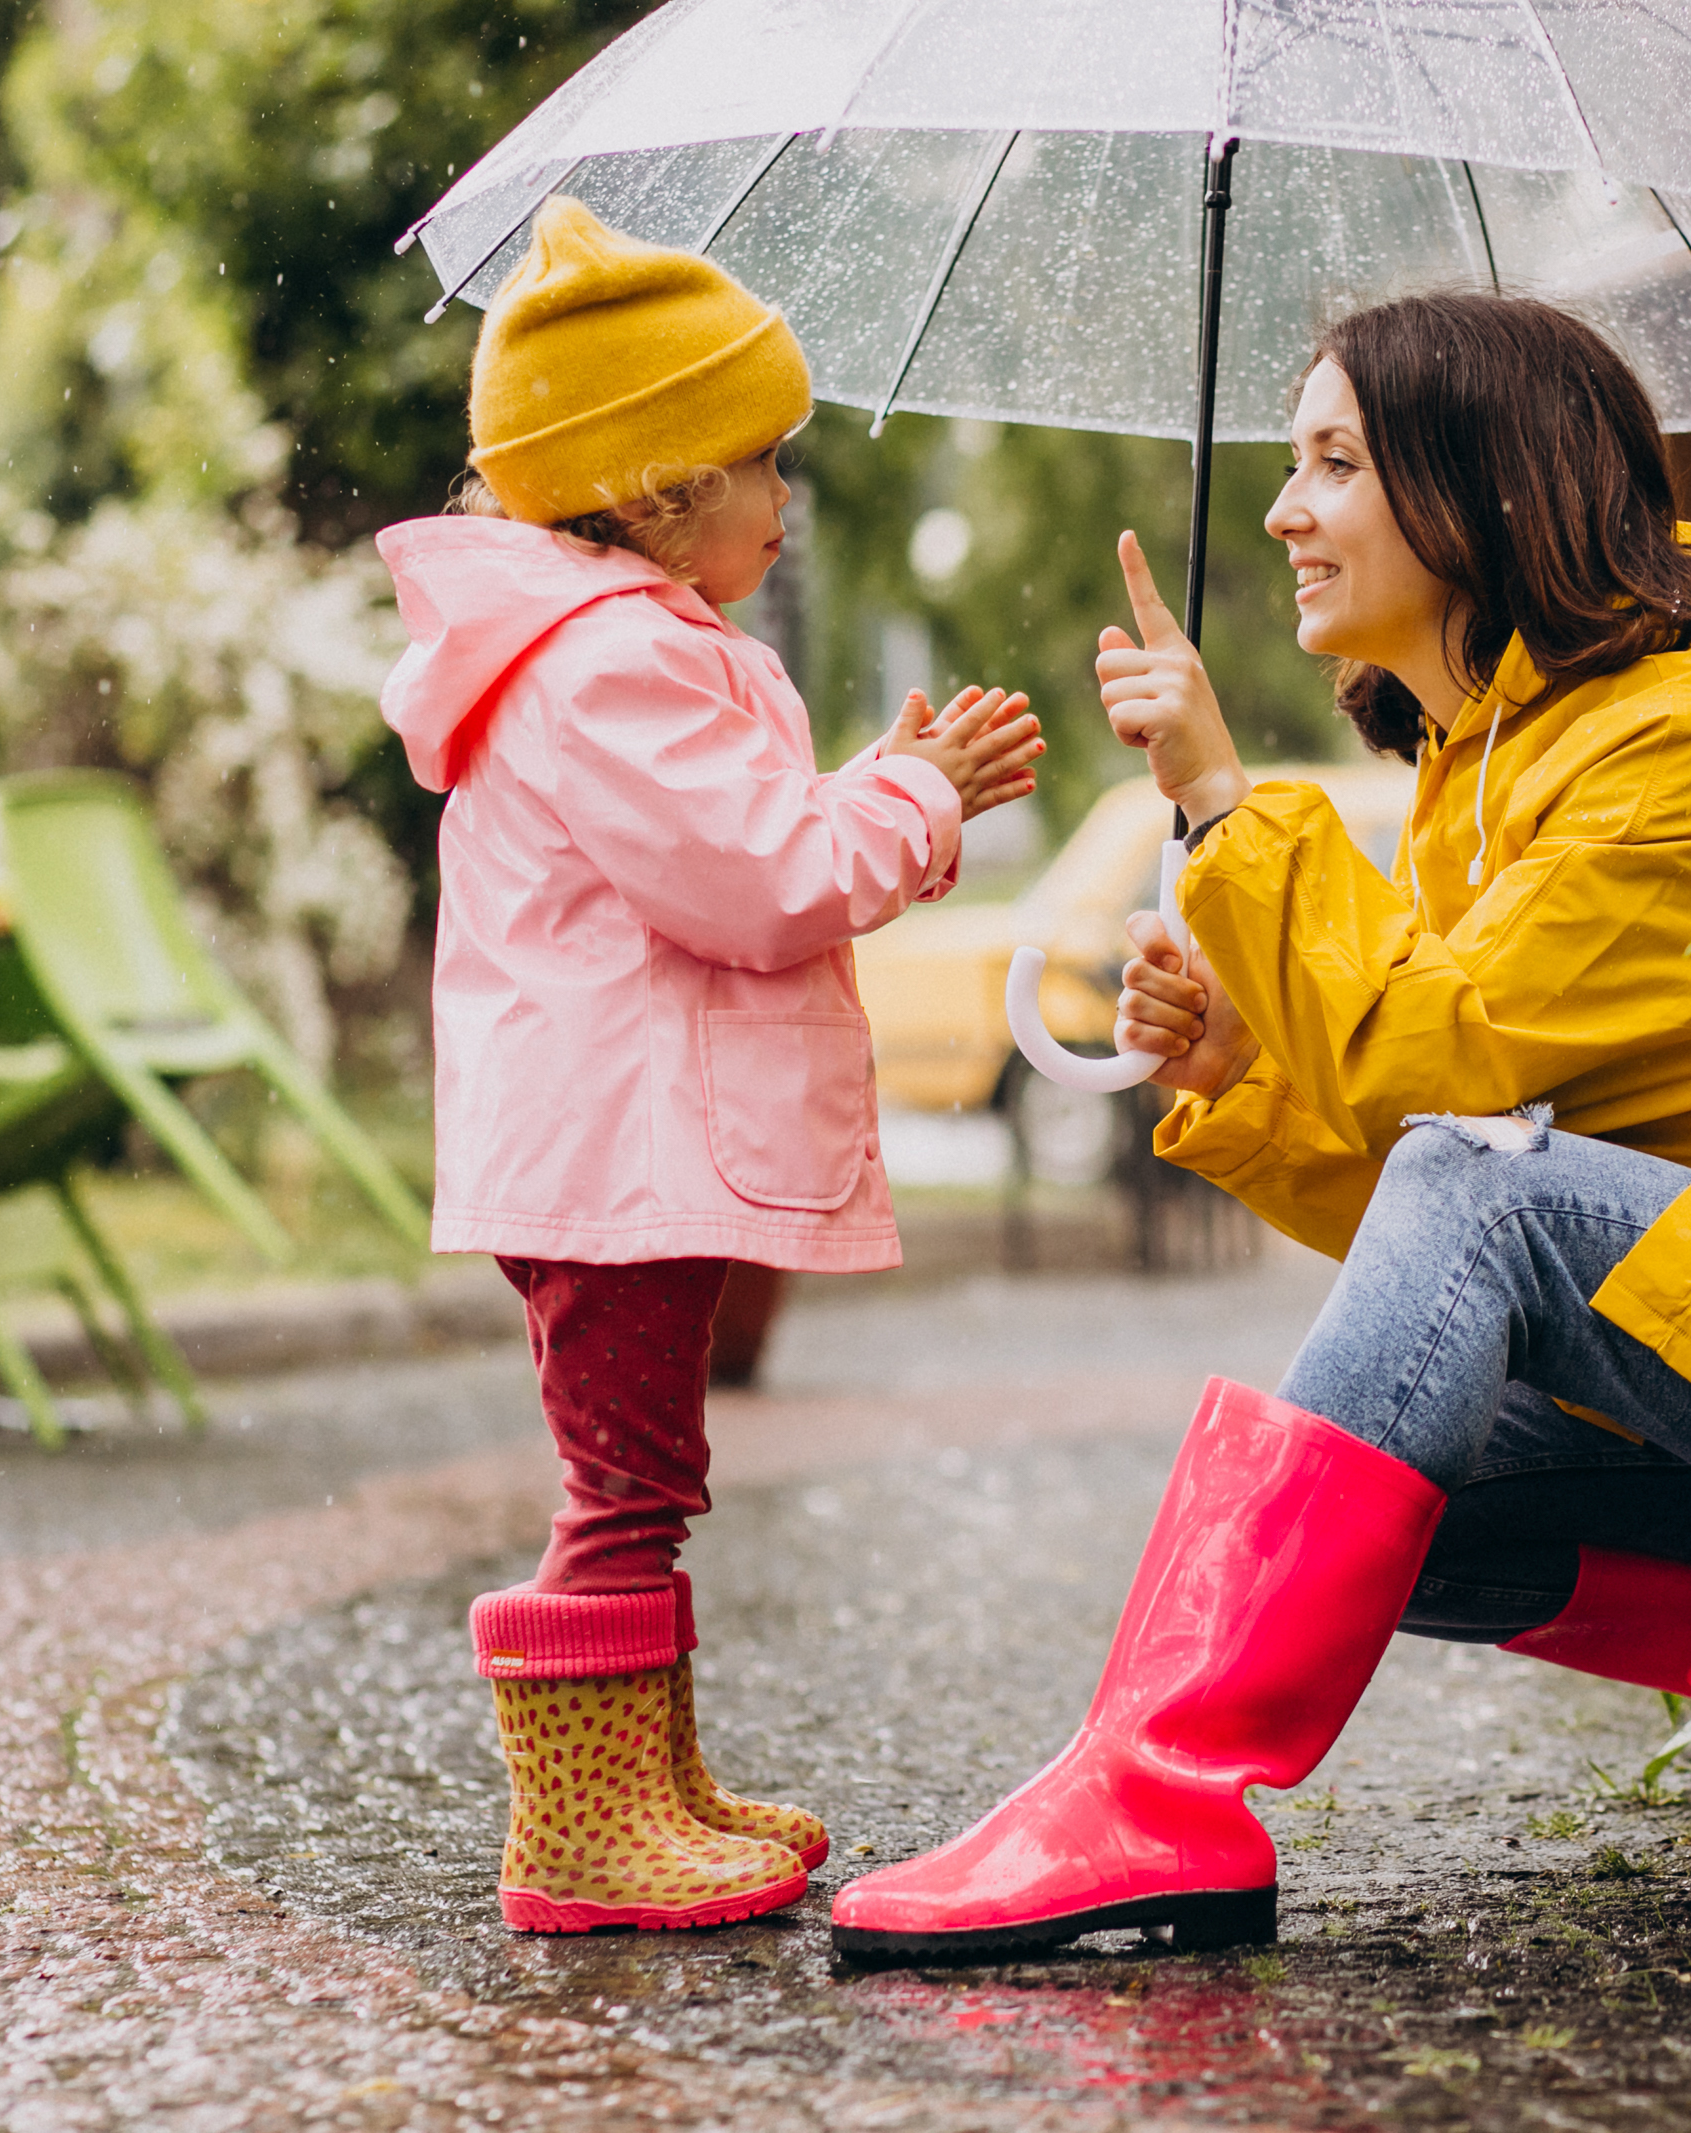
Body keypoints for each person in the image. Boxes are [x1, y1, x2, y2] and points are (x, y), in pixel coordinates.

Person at [829, 291, 1691, 1965]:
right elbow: (1441, 1198)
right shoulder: (1503, 754)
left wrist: (1224, 809)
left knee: (1457, 1258)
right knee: (1401, 1493)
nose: (1281, 511)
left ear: (1477, 491)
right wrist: (1244, 1086)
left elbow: (1445, 1089)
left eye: (1333, 462)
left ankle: (1157, 1787)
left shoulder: (1685, 740)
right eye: (1289, 462)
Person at [375, 198, 1042, 1936]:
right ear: (661, 488)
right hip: (618, 1149)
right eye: (764, 461)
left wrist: (877, 778)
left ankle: (646, 1785)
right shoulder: (608, 663)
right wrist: (925, 797)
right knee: (627, 1488)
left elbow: (740, 845)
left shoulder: (621, 650)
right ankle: (579, 1835)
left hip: (624, 1138)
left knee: (647, 1475)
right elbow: (761, 883)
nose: (786, 494)